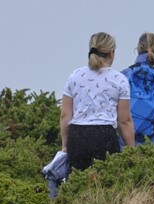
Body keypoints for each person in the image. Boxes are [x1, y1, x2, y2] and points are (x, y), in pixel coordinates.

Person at [54, 31, 136, 192]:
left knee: (76, 186)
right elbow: (124, 121)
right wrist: (131, 150)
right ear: (111, 53)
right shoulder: (119, 80)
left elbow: (65, 115)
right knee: (106, 186)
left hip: (78, 136)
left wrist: (65, 145)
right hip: (105, 136)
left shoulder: (75, 76)